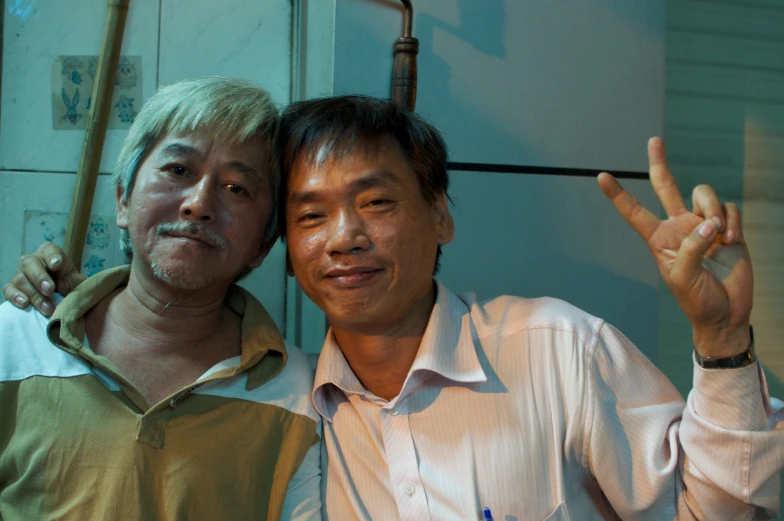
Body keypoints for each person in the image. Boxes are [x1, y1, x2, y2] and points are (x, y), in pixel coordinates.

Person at [7, 95, 784, 520]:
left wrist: (721, 337)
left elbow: (724, 514)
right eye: (311, 215)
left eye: (375, 202)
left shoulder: (557, 347)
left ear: (440, 216)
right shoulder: (304, 403)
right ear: (284, 247)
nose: (344, 238)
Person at [0, 77, 321, 521]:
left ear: (263, 246)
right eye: (179, 170)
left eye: (237, 188)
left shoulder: (296, 392)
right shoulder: (15, 339)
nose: (199, 204)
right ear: (123, 200)